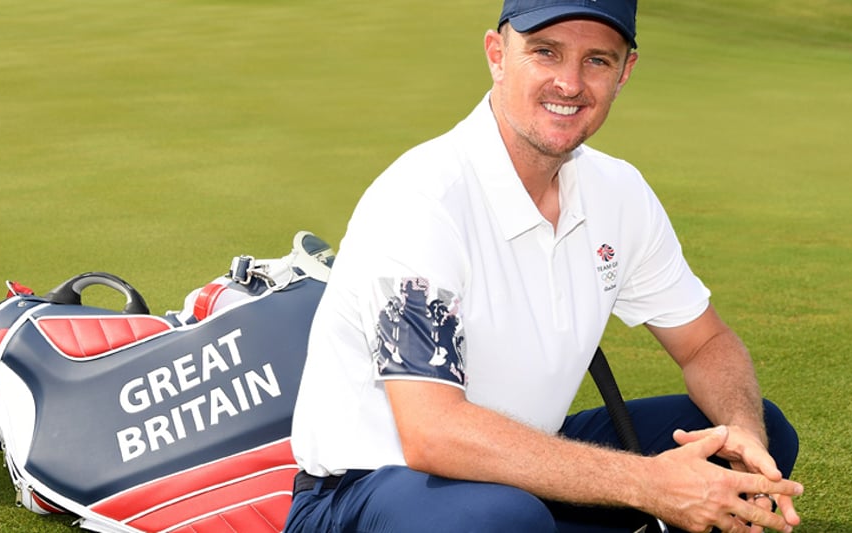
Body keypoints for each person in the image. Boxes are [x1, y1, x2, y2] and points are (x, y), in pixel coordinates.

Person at [285, 1, 803, 531]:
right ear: (497, 55)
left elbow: (705, 344)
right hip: (367, 492)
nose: (570, 83)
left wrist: (744, 432)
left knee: (754, 435)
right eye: (545, 52)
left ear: (625, 73)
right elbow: (431, 431)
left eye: (597, 61)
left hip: (517, 476)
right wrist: (649, 483)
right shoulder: (421, 200)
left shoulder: (619, 191)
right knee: (501, 517)